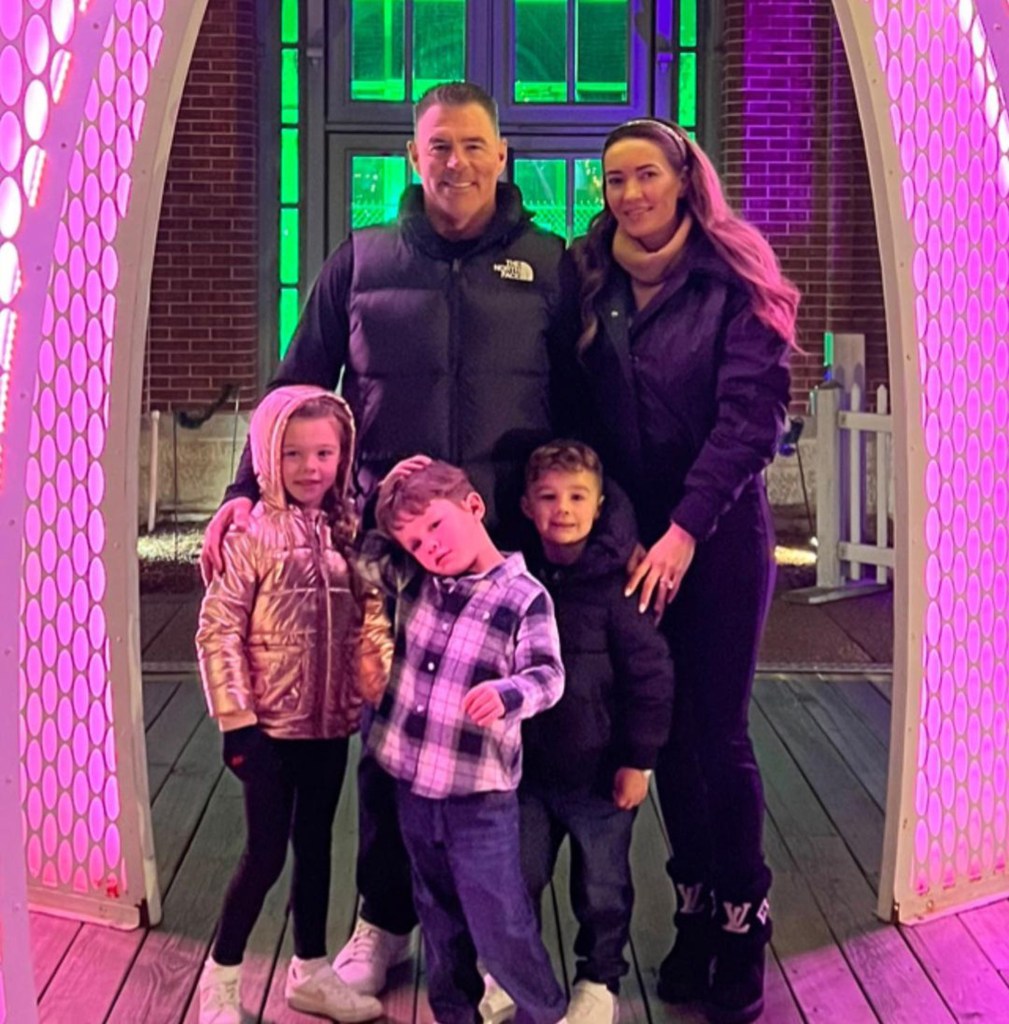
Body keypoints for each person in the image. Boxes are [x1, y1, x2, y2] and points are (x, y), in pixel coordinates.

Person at [199, 80, 572, 998]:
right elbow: (295, 385)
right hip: (389, 555)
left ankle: (496, 930)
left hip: (496, 548)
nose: (457, 162)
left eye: (474, 144)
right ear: (414, 157)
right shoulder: (360, 262)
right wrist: (244, 493)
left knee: (501, 738)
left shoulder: (549, 263)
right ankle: (384, 920)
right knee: (390, 740)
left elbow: (585, 402)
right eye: (439, 145)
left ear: (503, 155)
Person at [570, 118, 798, 1024]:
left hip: (716, 538)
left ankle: (743, 913)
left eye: (645, 175)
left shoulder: (732, 281)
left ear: (682, 178)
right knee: (657, 733)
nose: (629, 193)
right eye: (613, 179)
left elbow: (749, 422)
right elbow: (580, 416)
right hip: (632, 543)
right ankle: (694, 902)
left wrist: (682, 531)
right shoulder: (588, 280)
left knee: (718, 735)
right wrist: (620, 529)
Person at [194, 386, 390, 1024]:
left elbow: (371, 614)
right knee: (265, 852)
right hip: (267, 729)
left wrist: (375, 682)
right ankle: (220, 981)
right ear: (267, 456)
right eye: (295, 453)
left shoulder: (351, 529)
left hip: (330, 725)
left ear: (344, 453)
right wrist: (236, 720)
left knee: (316, 844)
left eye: (325, 452)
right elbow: (218, 628)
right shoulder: (252, 536)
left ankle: (309, 970)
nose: (311, 467)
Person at [363, 458, 567, 1024]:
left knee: (499, 920)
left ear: (474, 506)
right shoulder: (416, 581)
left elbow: (549, 675)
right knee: (437, 916)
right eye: (415, 540)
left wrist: (509, 694)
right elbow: (367, 557)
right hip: (413, 789)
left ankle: (543, 1011)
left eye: (435, 526)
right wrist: (381, 492)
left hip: (479, 800)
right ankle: (455, 1013)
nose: (428, 547)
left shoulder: (523, 597)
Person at [517, 440, 675, 1024]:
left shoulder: (618, 587)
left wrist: (639, 759)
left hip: (600, 775)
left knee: (602, 889)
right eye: (549, 497)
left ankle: (598, 978)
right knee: (517, 874)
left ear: (600, 503)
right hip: (525, 772)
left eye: (577, 496)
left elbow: (651, 678)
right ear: (528, 506)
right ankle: (513, 970)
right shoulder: (514, 578)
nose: (563, 508)